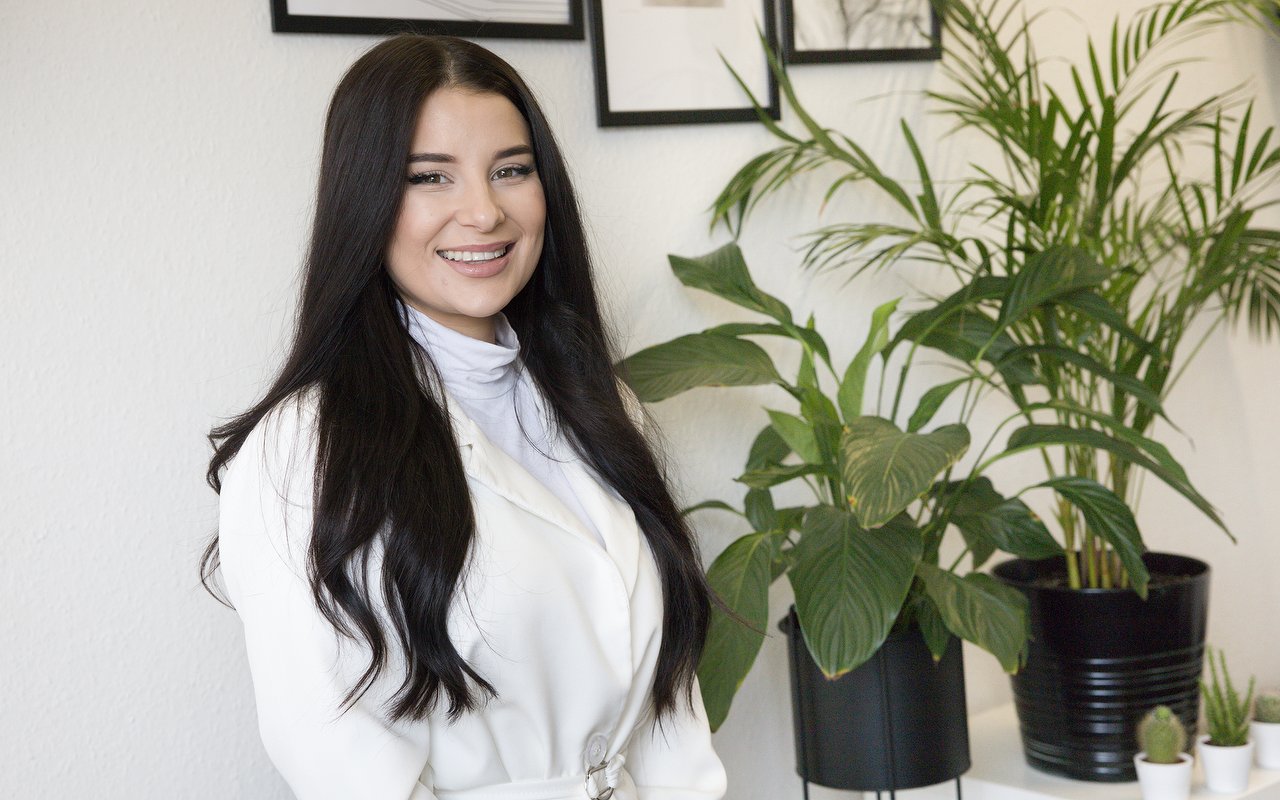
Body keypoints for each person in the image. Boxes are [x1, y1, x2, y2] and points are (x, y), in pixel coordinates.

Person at [202, 34, 727, 800]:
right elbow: (334, 754)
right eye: (430, 177)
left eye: (511, 170)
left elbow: (669, 712)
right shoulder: (304, 447)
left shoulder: (601, 407)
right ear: (366, 200)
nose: (484, 212)